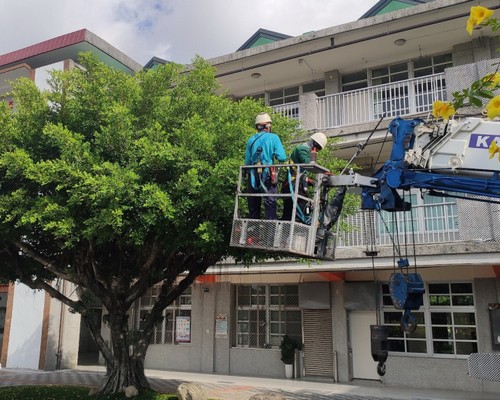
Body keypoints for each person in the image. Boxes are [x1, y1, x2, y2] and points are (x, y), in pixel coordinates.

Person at [245, 112, 287, 219]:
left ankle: (253, 234)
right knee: (270, 203)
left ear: (257, 126)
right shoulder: (274, 138)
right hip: (268, 174)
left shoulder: (251, 140)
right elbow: (282, 157)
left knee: (253, 205)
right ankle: (270, 233)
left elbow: (247, 162)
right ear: (268, 126)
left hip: (253, 176)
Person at [281, 131, 327, 222]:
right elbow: (308, 164)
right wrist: (323, 171)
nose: (317, 150)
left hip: (295, 184)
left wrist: (310, 181)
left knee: (291, 213)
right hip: (294, 185)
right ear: (314, 143)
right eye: (317, 147)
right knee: (298, 210)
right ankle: (295, 230)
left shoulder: (305, 150)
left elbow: (303, 171)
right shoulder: (302, 149)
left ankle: (289, 230)